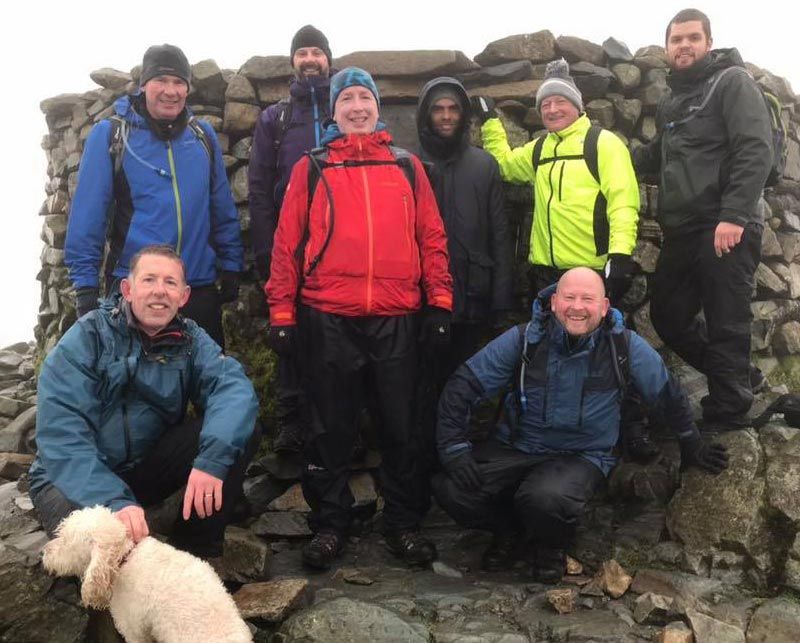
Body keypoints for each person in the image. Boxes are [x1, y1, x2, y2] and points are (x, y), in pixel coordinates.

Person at [266, 67, 453, 570]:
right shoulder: (313, 167)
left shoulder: (407, 167)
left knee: (402, 427)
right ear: (334, 110)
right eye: (346, 99)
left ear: (377, 107)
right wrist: (282, 311)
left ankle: (403, 523)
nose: (355, 107)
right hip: (327, 314)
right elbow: (286, 245)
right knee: (328, 428)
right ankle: (331, 524)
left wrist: (440, 303)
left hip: (398, 316)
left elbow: (431, 239)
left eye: (363, 98)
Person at [433, 268, 728, 583]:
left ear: (604, 307)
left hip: (582, 455)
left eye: (587, 299)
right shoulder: (523, 339)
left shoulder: (625, 347)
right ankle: (510, 533)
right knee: (450, 489)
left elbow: (667, 394)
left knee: (544, 498)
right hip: (518, 447)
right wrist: (454, 448)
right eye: (569, 297)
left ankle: (550, 548)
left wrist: (691, 443)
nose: (577, 307)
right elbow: (464, 385)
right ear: (554, 302)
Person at [30, 245, 260, 559]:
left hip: (141, 469)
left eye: (170, 283)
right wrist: (114, 501)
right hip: (68, 479)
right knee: (103, 549)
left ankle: (192, 553)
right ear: (127, 289)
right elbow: (63, 438)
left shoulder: (191, 341)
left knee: (239, 430)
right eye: (149, 280)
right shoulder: (87, 338)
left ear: (184, 296)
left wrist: (211, 462)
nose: (159, 291)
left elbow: (232, 389)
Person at [633, 8, 773, 430]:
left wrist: (733, 215)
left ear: (708, 43)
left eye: (693, 38)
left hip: (724, 223)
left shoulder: (732, 83)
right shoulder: (674, 101)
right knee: (668, 314)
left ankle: (728, 412)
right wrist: (605, 154)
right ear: (666, 48)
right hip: (683, 228)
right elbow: (658, 154)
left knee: (726, 319)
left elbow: (755, 149)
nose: (684, 46)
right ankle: (740, 379)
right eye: (677, 40)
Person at [65, 44, 243, 349]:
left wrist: (231, 263)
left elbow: (220, 205)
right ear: (144, 84)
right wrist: (85, 287)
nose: (170, 91)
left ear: (188, 89)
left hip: (195, 285)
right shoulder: (112, 136)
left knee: (209, 385)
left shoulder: (202, 137)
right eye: (161, 80)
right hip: (136, 289)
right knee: (136, 388)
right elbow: (88, 216)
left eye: (179, 82)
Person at [475, 58, 640, 306]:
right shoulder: (540, 149)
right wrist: (489, 121)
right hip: (544, 273)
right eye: (545, 104)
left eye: (560, 101)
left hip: (589, 272)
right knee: (547, 343)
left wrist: (619, 256)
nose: (552, 109)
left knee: (587, 344)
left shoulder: (604, 144)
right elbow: (503, 166)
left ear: (577, 106)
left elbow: (623, 203)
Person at [248, 25, 334, 454]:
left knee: (338, 335)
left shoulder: (348, 108)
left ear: (328, 60)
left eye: (316, 51)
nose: (310, 59)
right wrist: (266, 249)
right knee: (289, 330)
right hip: (290, 246)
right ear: (293, 63)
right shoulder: (275, 119)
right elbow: (260, 188)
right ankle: (291, 423)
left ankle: (336, 423)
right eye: (302, 52)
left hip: (340, 243)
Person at [415, 76, 513, 375]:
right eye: (438, 109)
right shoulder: (411, 164)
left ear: (464, 115)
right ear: (426, 115)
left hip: (473, 296)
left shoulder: (484, 165)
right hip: (422, 300)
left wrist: (500, 299)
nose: (446, 116)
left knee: (466, 384)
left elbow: (499, 234)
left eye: (454, 109)